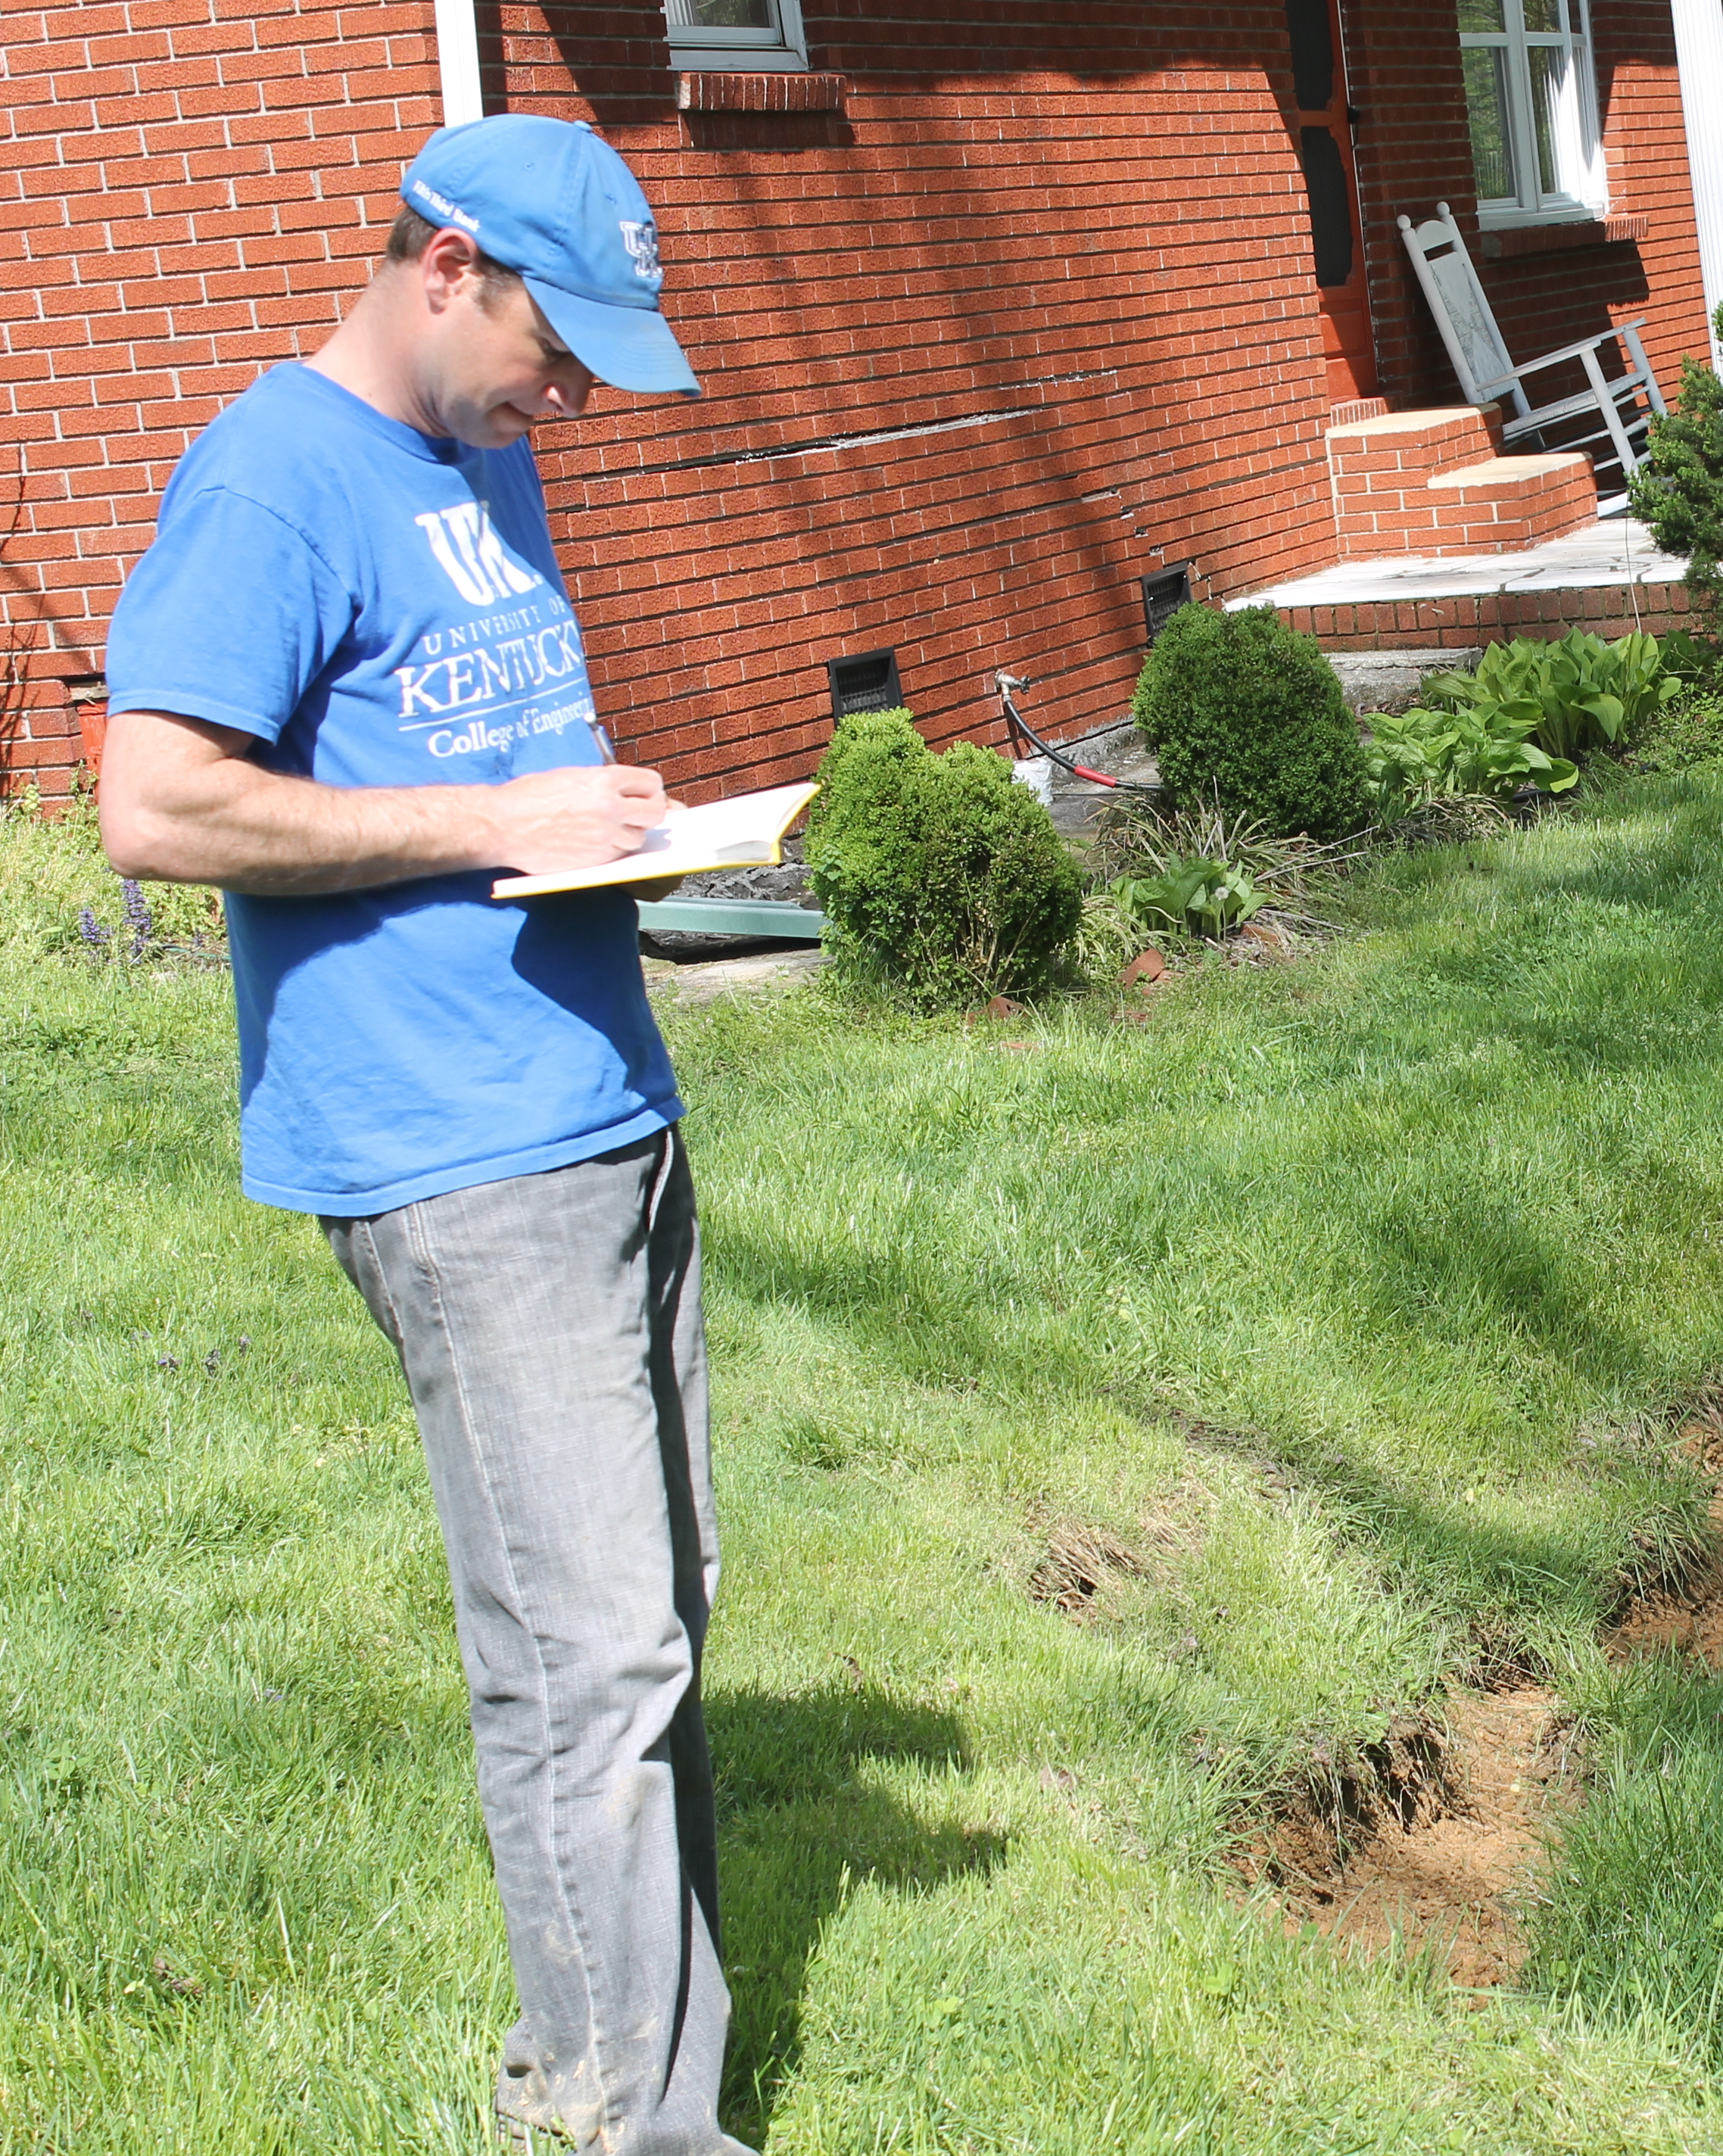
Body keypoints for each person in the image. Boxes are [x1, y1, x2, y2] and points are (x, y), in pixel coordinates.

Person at [98, 115, 750, 2156]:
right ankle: (627, 2126)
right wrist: (499, 824)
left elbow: (468, 760)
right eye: (563, 352)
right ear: (447, 262)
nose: (573, 398)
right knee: (589, 1665)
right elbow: (157, 805)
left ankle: (633, 2072)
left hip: (597, 1094)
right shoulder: (274, 481)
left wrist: (610, 823)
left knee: (656, 1628)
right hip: (457, 1151)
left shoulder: (487, 447)